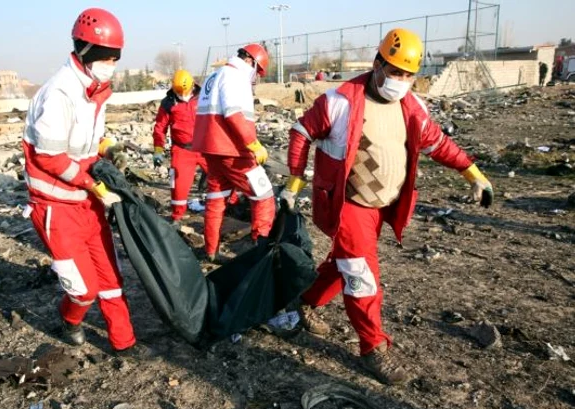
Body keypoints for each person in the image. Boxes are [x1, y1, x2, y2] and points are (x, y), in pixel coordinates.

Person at [280, 29, 494, 385]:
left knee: (345, 263)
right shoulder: (340, 101)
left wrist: (473, 174)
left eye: (409, 75)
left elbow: (438, 143)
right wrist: (295, 181)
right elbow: (301, 132)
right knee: (362, 276)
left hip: (382, 207)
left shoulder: (412, 107)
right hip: (349, 204)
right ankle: (372, 348)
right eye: (395, 71)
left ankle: (305, 300)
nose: (401, 81)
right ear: (378, 64)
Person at [22, 7, 137, 352]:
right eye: (106, 57)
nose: (111, 63)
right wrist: (90, 182)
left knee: (111, 278)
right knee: (83, 289)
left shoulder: (93, 89)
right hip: (56, 206)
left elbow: (86, 140)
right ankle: (69, 319)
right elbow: (49, 157)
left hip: (86, 203)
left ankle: (124, 340)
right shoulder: (60, 92)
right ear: (84, 51)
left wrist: (107, 147)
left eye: (115, 57)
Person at [192, 44, 274, 263]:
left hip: (211, 149)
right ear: (250, 61)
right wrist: (253, 144)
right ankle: (262, 253)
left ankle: (211, 251)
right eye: (258, 71)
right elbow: (233, 113)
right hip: (233, 151)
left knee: (216, 199)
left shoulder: (215, 75)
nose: (256, 76)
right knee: (263, 195)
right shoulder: (235, 76)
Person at [153, 69, 206, 225]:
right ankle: (177, 217)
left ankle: (233, 204)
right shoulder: (168, 103)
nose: (183, 94)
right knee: (178, 185)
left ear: (192, 85)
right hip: (182, 150)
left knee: (223, 176)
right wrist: (158, 149)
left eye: (186, 91)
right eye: (179, 92)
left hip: (205, 147)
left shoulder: (204, 97)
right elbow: (160, 127)